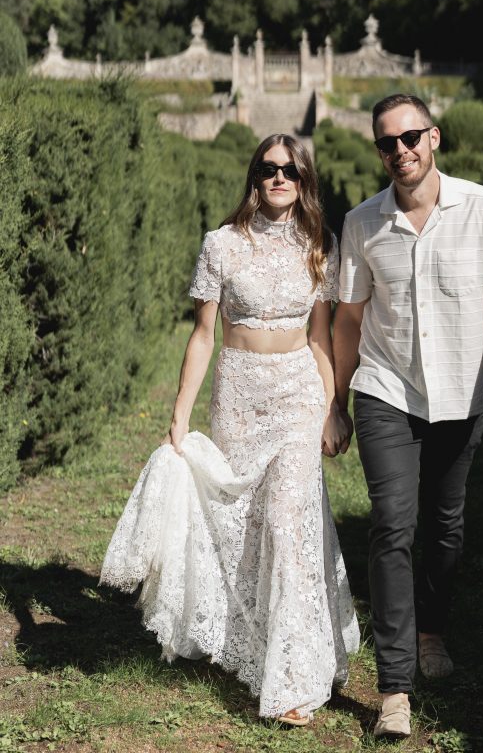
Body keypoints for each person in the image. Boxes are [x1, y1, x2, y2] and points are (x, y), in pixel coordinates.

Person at [100, 133, 359, 726]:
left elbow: (321, 337)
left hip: (297, 391)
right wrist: (180, 412)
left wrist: (333, 405)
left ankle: (293, 677)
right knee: (243, 521)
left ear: (303, 180)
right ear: (254, 175)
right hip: (238, 393)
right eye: (268, 169)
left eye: (290, 171)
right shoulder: (221, 244)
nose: (278, 179)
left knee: (291, 522)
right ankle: (248, 635)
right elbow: (202, 336)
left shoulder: (321, 244)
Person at [332, 94, 483, 739]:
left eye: (411, 137)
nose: (401, 151)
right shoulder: (362, 223)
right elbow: (348, 320)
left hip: (461, 395)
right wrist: (334, 404)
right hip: (385, 389)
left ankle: (430, 630)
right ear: (380, 152)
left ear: (435, 138)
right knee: (392, 525)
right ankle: (395, 688)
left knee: (444, 527)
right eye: (388, 143)